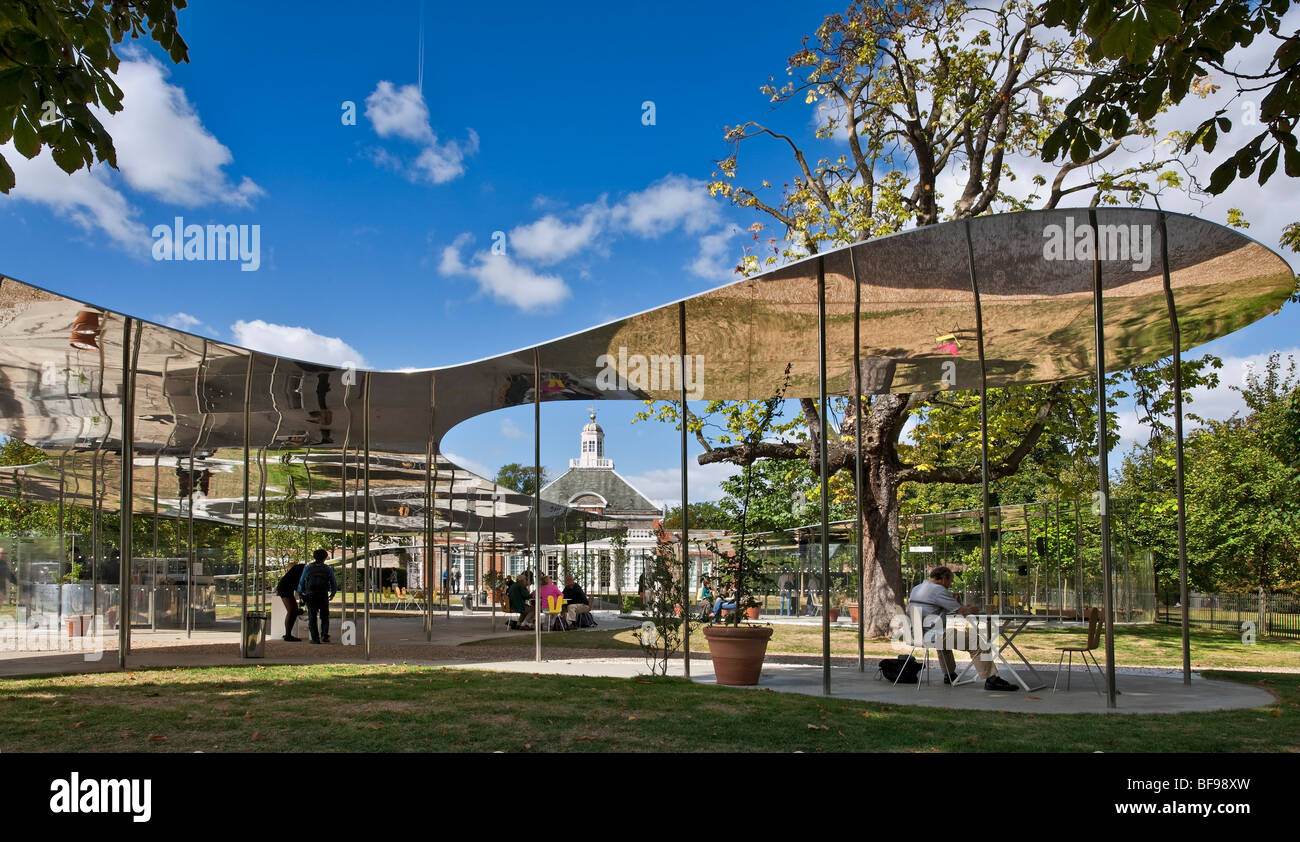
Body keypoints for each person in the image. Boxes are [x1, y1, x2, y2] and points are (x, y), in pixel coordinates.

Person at [907, 566, 1016, 691]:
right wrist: (973, 609)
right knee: (978, 643)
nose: (950, 584)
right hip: (931, 635)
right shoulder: (938, 590)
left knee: (943, 642)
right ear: (943, 578)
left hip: (914, 635)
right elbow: (961, 611)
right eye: (950, 581)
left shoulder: (917, 588)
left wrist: (962, 609)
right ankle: (991, 679)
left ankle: (949, 675)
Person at [296, 549, 338, 644]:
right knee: (324, 616)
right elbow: (333, 583)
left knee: (312, 617)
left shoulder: (308, 568)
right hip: (323, 595)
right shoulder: (328, 569)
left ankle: (315, 638)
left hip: (311, 595)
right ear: (325, 557)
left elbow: (301, 582)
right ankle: (324, 636)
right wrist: (332, 594)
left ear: (314, 557)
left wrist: (301, 593)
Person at [275, 560, 306, 641]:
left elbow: (298, 585)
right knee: (292, 611)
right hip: (285, 589)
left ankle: (288, 634)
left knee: (293, 611)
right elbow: (298, 585)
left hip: (284, 588)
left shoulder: (300, 568)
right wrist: (303, 596)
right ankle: (288, 635)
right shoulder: (303, 569)